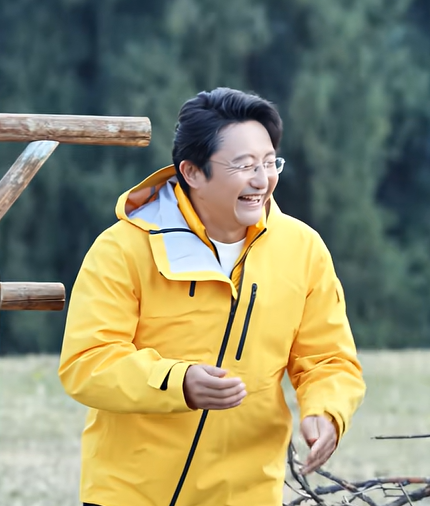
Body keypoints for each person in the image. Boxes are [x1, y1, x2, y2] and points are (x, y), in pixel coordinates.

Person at [58, 88, 366, 506]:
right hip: (129, 494)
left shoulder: (303, 249)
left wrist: (327, 412)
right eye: (245, 165)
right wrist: (178, 382)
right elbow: (87, 362)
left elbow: (328, 359)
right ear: (192, 172)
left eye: (269, 162)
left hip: (248, 495)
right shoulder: (122, 249)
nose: (262, 180)